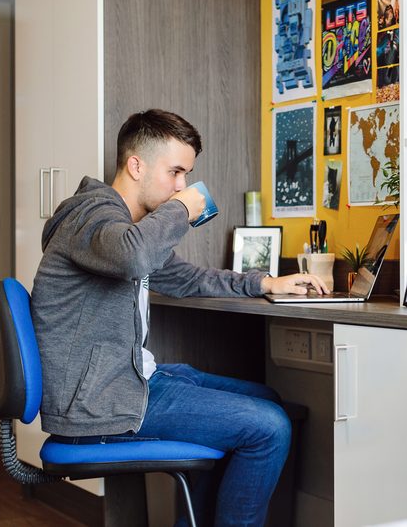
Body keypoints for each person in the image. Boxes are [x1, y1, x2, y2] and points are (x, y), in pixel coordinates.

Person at [31, 109, 328, 526]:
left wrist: (266, 283)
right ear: (136, 165)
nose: (181, 186)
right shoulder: (91, 215)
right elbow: (134, 256)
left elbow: (186, 277)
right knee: (269, 428)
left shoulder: (125, 228)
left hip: (127, 380)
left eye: (186, 177)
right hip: (100, 401)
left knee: (267, 401)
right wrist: (183, 209)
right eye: (175, 172)